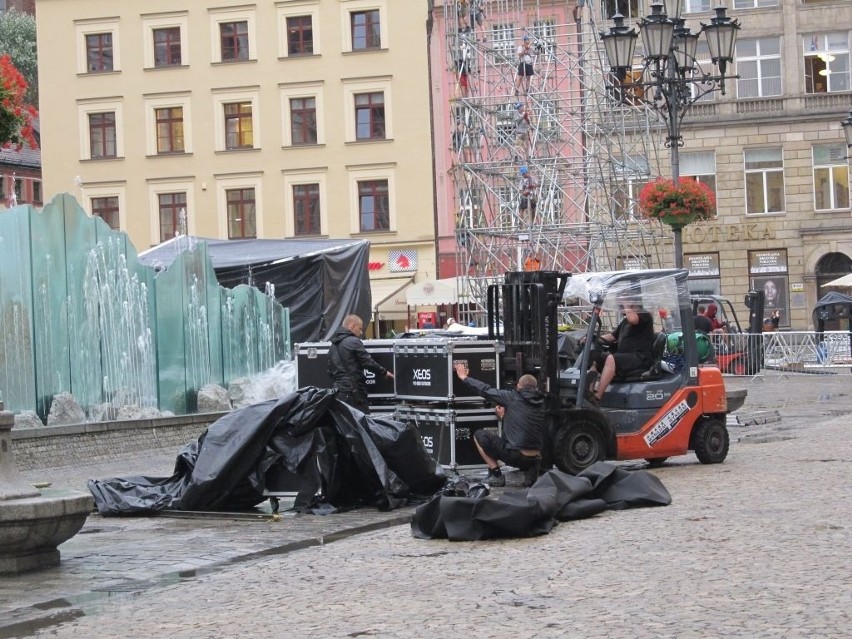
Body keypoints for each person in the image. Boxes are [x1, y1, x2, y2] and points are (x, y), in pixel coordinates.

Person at [453, 362, 545, 487]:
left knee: (479, 435)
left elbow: (485, 390)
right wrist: (504, 417)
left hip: (515, 456)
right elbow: (527, 423)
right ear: (536, 388)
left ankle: (496, 474)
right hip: (536, 458)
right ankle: (530, 475)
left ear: (518, 386)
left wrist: (464, 377)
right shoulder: (543, 402)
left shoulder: (512, 397)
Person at [588, 299, 655, 403]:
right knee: (595, 360)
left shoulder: (644, 315)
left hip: (640, 357)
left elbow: (633, 319)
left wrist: (627, 303)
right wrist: (593, 338)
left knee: (611, 358)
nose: (620, 307)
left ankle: (597, 398)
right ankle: (589, 394)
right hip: (626, 357)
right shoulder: (624, 322)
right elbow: (612, 336)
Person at [328, 314, 393, 414]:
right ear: (352, 326)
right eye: (360, 328)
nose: (361, 332)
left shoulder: (333, 346)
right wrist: (384, 372)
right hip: (353, 392)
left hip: (338, 392)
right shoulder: (353, 341)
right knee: (363, 423)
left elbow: (329, 371)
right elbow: (367, 362)